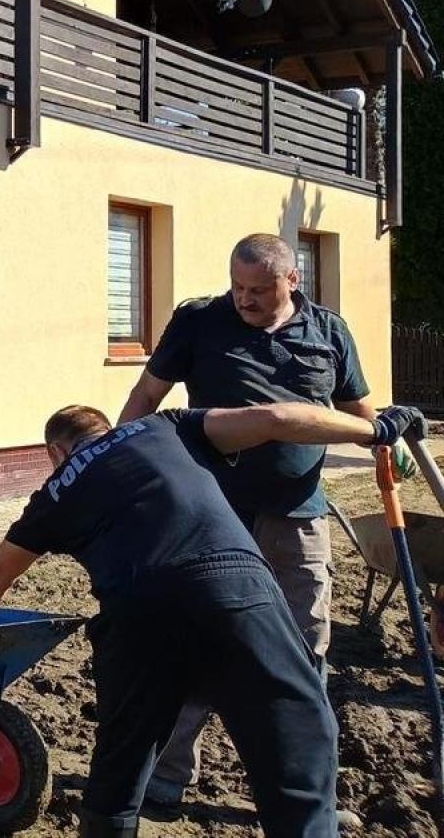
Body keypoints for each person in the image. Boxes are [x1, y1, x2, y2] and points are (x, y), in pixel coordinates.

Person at [0, 400, 424, 837]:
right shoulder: (165, 426)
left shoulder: (56, 491)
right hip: (236, 592)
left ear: (54, 452)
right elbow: (277, 419)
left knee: (123, 758)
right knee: (297, 732)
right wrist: (375, 429)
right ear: (110, 429)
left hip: (140, 613)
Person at [116, 233, 389, 810]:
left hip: (298, 517)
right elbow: (146, 395)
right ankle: (166, 777)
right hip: (212, 518)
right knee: (194, 640)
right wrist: (123, 465)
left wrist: (389, 436)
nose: (245, 299)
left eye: (259, 290)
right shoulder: (198, 321)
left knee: (304, 650)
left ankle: (305, 790)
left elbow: (360, 413)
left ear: (292, 281)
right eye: (237, 286)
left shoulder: (329, 332)